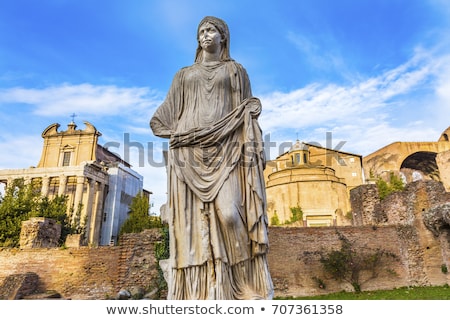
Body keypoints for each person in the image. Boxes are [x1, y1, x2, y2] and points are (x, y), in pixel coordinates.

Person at [150, 16, 273, 300]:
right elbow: (161, 119)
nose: (205, 35)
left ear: (223, 37)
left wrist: (250, 121)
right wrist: (181, 134)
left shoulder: (235, 71)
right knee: (192, 226)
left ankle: (245, 283)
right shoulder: (183, 75)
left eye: (211, 30)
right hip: (188, 154)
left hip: (227, 149)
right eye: (201, 31)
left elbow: (246, 111)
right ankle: (198, 292)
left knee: (230, 214)